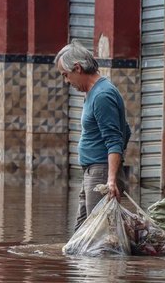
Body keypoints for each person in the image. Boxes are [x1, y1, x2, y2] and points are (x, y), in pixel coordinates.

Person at [55, 40, 131, 230]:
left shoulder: (102, 95)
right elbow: (126, 130)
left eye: (66, 75)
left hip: (101, 173)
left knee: (99, 235)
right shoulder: (93, 93)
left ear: (78, 68)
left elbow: (115, 139)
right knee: (82, 234)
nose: (66, 81)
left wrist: (110, 179)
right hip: (94, 171)